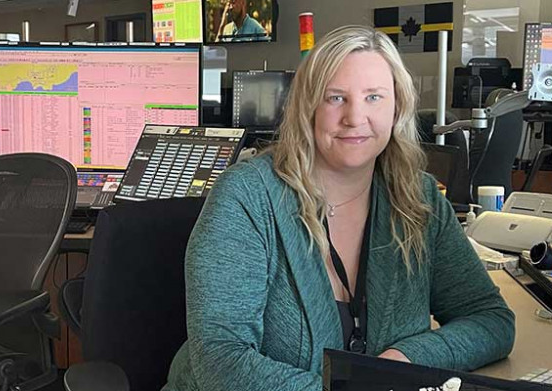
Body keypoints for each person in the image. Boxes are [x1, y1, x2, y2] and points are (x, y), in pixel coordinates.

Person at [163, 25, 515, 390]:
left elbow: (490, 319)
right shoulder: (248, 196)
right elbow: (220, 361)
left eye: (374, 97)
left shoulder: (418, 199)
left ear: (398, 107)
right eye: (335, 98)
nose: (354, 117)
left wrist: (405, 361)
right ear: (307, 106)